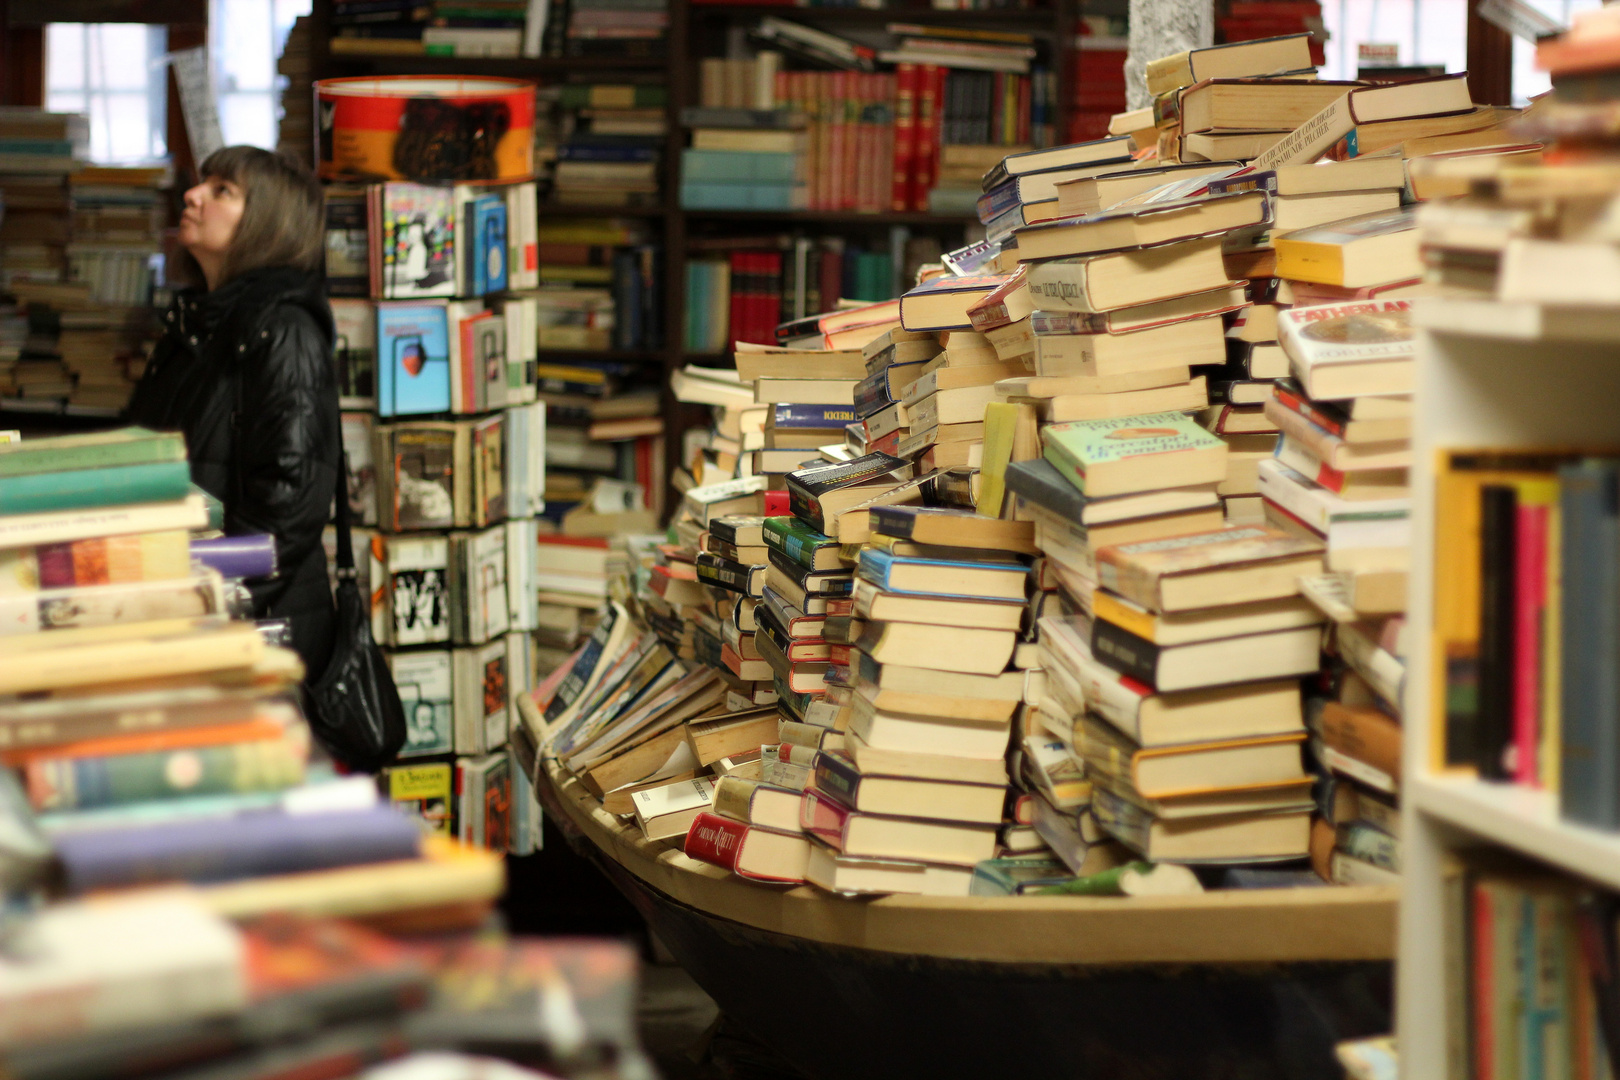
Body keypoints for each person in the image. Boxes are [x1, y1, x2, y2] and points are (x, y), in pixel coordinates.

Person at [126, 147, 341, 679]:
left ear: (269, 222)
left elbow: (287, 512)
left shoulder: (285, 330)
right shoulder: (194, 325)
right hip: (182, 612)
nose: (193, 196)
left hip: (251, 629)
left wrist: (197, 593)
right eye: (203, 183)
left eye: (223, 191)